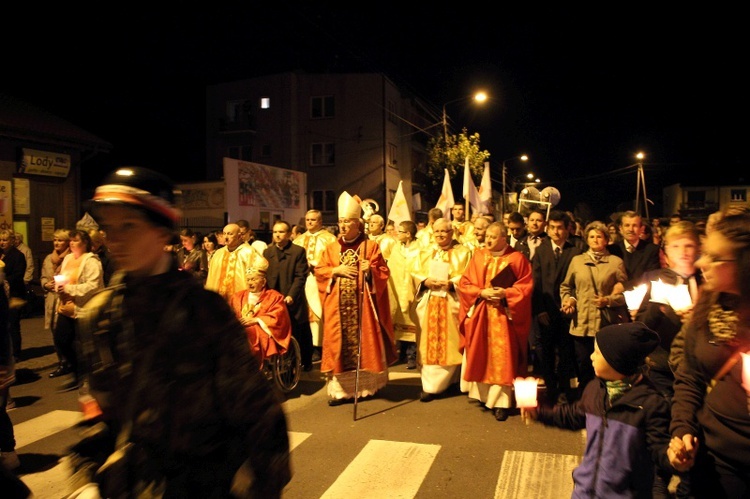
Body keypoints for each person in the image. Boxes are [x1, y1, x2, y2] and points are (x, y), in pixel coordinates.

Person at [67, 166, 291, 497]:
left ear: (163, 233)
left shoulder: (204, 313)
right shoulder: (99, 317)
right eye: (108, 228)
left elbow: (261, 418)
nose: (113, 239)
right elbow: (97, 412)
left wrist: (256, 485)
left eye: (128, 226)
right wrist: (86, 478)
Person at [522, 322, 676, 498]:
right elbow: (573, 415)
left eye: (597, 352)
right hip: (584, 492)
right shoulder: (596, 389)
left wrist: (673, 458)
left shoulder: (650, 404)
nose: (591, 357)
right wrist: (539, 413)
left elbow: (660, 455)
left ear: (616, 360)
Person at [667, 208, 750, 497]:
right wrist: (682, 431)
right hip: (710, 456)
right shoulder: (709, 305)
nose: (701, 262)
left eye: (715, 257)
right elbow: (690, 376)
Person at [630, 221, 701, 498]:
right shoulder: (655, 279)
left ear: (698, 249)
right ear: (666, 253)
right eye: (675, 246)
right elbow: (642, 329)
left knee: (691, 426)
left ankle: (688, 482)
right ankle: (659, 477)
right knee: (662, 424)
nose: (683, 252)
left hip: (697, 372)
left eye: (689, 245)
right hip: (662, 367)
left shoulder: (709, 280)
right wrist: (659, 308)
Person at [315, 191, 396, 406]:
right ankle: (341, 392)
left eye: (347, 222)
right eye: (341, 222)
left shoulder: (370, 247)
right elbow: (319, 271)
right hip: (337, 309)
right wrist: (335, 271)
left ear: (358, 224)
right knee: (338, 346)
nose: (343, 226)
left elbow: (383, 273)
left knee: (365, 343)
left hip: (363, 308)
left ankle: (367, 387)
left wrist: (370, 271)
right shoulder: (331, 248)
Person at [458, 221, 533, 421]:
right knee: (481, 354)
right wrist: (481, 291)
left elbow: (525, 287)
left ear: (503, 238)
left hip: (503, 316)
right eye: (487, 236)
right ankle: (483, 396)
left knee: (503, 358)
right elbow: (465, 283)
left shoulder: (516, 259)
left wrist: (505, 293)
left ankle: (501, 402)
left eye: (493, 237)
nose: (488, 240)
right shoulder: (479, 256)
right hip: (482, 313)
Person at [561, 221, 628, 394]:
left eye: (599, 236)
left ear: (606, 240)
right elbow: (566, 287)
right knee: (583, 366)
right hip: (581, 325)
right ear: (587, 239)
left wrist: (608, 300)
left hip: (604, 325)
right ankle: (586, 403)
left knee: (604, 368)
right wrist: (568, 300)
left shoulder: (615, 263)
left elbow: (625, 292)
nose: (595, 239)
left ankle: (603, 402)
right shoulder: (577, 261)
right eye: (591, 236)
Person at [412, 218, 471, 402]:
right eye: (436, 232)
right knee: (428, 342)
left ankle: (451, 380)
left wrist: (453, 284)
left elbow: (469, 276)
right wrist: (425, 281)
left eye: (444, 231)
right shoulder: (425, 252)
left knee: (451, 343)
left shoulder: (464, 252)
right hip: (429, 302)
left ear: (451, 233)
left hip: (451, 302)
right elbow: (413, 272)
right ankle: (430, 387)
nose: (439, 235)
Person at [531, 210, 584, 403]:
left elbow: (579, 281)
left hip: (567, 310)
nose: (556, 232)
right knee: (545, 352)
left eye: (560, 228)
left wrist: (573, 301)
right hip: (546, 310)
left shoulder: (576, 250)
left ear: (567, 229)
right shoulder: (541, 250)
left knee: (565, 352)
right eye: (552, 228)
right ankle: (551, 390)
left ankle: (564, 390)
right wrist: (540, 310)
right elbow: (535, 283)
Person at [49, 229, 104, 392]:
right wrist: (57, 286)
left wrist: (70, 290)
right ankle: (77, 372)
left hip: (83, 309)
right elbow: (64, 277)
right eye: (71, 240)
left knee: (85, 344)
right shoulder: (67, 258)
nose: (71, 243)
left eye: (76, 240)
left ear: (85, 243)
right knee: (61, 340)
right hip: (66, 308)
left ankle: (86, 376)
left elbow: (92, 285)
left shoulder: (91, 261)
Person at [263, 220, 312, 371]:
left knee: (299, 330)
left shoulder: (298, 251)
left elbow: (300, 276)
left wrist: (291, 295)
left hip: (292, 298)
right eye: (275, 232)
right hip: (274, 299)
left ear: (289, 234)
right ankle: (280, 361)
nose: (277, 235)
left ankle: (305, 361)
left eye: (281, 232)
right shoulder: (268, 252)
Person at [229, 256, 292, 367]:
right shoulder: (237, 296)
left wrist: (256, 320)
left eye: (254, 279)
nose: (250, 283)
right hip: (238, 328)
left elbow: (278, 317)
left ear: (263, 282)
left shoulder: (274, 296)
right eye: (248, 280)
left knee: (248, 331)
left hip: (261, 330)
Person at [293, 209, 337, 356]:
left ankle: (321, 346)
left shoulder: (330, 239)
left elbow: (334, 260)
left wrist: (317, 266)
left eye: (313, 220)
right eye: (307, 220)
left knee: (320, 313)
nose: (309, 222)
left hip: (321, 281)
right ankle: (307, 347)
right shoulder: (298, 240)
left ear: (320, 221)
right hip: (303, 282)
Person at [387, 220, 420, 369]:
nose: (396, 233)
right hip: (397, 288)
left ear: (408, 234)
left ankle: (412, 355)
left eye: (400, 231)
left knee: (412, 322)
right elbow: (391, 267)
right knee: (399, 322)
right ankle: (401, 354)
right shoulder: (396, 249)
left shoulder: (420, 249)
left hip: (412, 291)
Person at [205, 223, 265, 302]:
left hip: (240, 300)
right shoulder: (218, 253)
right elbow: (211, 277)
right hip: (219, 300)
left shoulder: (249, 252)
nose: (226, 237)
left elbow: (260, 271)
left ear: (239, 236)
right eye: (224, 234)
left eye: (230, 234)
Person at [607, 210, 662, 288]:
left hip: (642, 295)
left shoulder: (651, 250)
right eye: (627, 225)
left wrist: (625, 286)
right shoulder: (612, 250)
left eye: (634, 225)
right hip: (616, 297)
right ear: (620, 229)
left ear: (641, 229)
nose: (631, 229)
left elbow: (652, 277)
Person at [0, 229, 26, 361]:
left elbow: (18, 274)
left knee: (13, 324)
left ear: (11, 241)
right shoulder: (0, 254)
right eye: (0, 240)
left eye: (5, 240)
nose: (2, 243)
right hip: (1, 295)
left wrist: (4, 280)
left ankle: (16, 353)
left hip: (13, 294)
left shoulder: (18, 256)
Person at [40, 229, 71, 332]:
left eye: (60, 240)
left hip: (65, 298)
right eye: (55, 240)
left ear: (67, 242)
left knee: (64, 330)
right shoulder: (49, 258)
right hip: (51, 298)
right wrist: (45, 285)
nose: (56, 243)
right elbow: (43, 276)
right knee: (53, 329)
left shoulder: (71, 258)